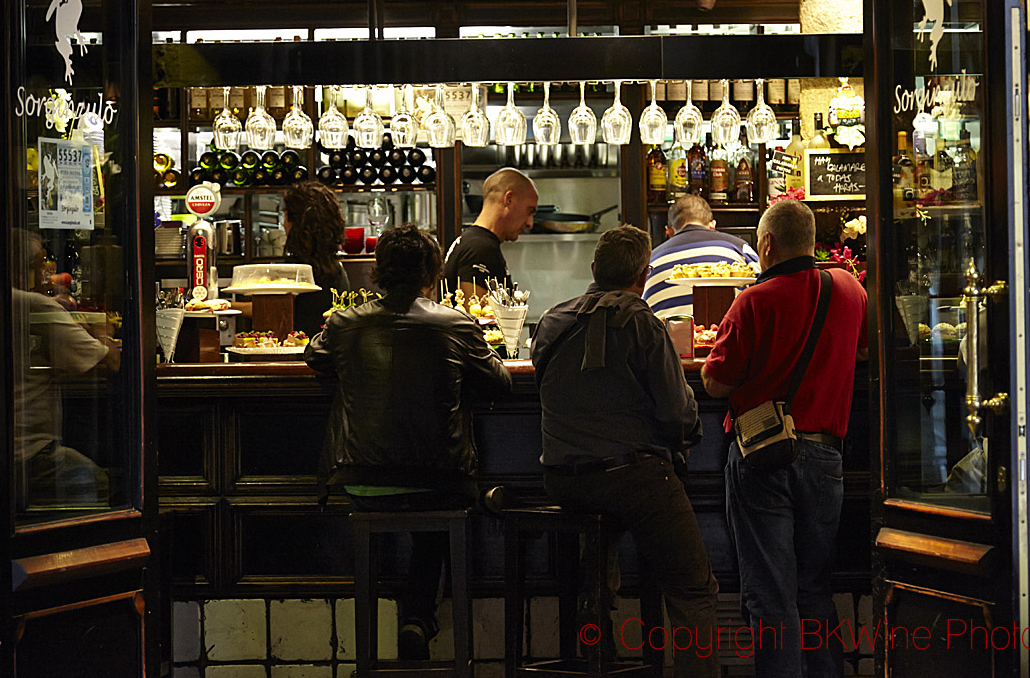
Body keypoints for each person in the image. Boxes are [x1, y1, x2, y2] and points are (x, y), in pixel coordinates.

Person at [304, 224, 511, 659]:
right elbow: (501, 381)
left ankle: (387, 623)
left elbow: (314, 355)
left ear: (378, 272)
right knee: (434, 511)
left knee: (407, 507)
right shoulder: (456, 323)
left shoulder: (344, 323)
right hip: (439, 475)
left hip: (360, 475)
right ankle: (418, 617)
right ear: (431, 274)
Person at [532, 225, 719, 678]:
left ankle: (596, 641)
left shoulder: (553, 320)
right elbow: (678, 414)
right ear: (644, 275)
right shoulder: (642, 322)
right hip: (632, 478)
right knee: (694, 588)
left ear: (594, 270)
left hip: (562, 478)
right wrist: (686, 440)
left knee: (601, 539)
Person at [701, 199, 867, 678]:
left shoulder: (752, 300)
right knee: (815, 589)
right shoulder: (850, 289)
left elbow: (715, 383)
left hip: (764, 458)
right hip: (827, 458)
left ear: (767, 244)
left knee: (771, 594)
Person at [12, 229, 119, 509]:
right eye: (40, 266)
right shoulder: (33, 305)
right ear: (22, 269)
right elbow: (111, 362)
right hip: (30, 455)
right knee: (103, 484)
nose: (46, 276)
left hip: (6, 452)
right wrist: (100, 327)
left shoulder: (12, 302)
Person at [643, 194, 760, 319]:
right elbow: (764, 291)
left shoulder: (650, 260)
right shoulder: (741, 248)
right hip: (731, 333)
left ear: (669, 231)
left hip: (667, 335)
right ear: (712, 225)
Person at [443, 167, 538, 297]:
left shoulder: (475, 242)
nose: (530, 223)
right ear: (509, 199)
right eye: (529, 211)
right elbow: (475, 313)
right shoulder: (479, 248)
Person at [283, 181, 351, 335]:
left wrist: (229, 305)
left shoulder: (302, 270)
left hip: (307, 353)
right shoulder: (332, 268)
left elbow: (275, 308)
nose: (284, 223)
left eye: (286, 216)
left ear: (298, 223)